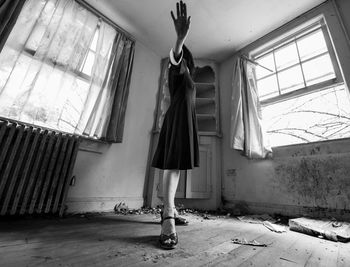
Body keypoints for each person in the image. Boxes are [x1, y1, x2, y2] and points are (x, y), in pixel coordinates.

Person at [151, 1, 199, 250]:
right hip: (177, 119)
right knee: (173, 165)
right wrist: (180, 40)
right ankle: (167, 215)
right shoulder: (178, 72)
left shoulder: (190, 77)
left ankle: (170, 208)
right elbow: (175, 62)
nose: (188, 64)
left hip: (185, 121)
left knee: (177, 166)